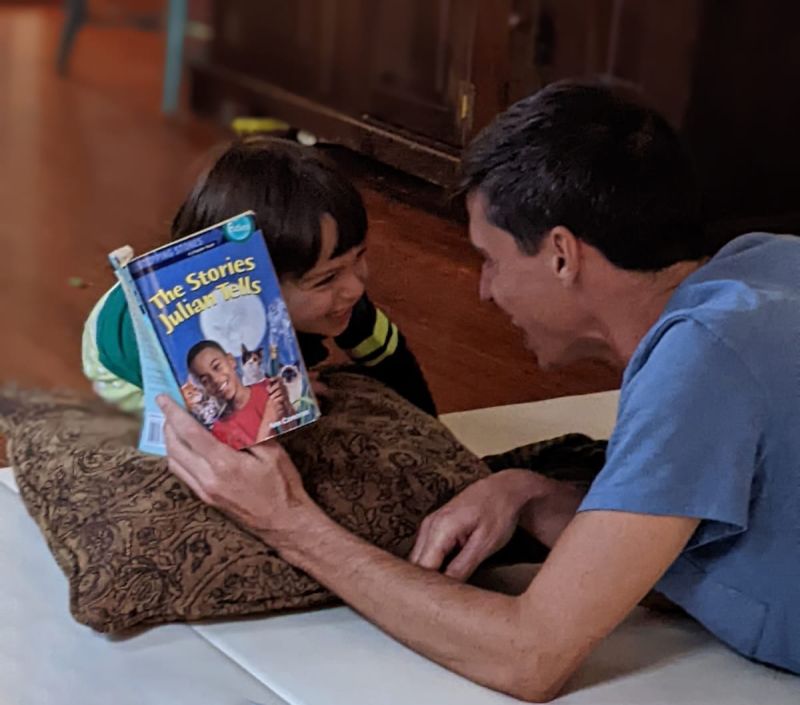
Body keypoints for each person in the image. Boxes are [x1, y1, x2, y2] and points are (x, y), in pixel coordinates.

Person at [157, 81, 800, 701]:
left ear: (561, 255)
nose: (485, 291)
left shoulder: (700, 361)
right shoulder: (770, 260)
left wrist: (288, 522)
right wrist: (530, 492)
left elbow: (529, 656)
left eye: (491, 260)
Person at [81, 137, 436, 416]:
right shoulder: (185, 337)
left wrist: (434, 432)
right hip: (134, 373)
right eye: (326, 279)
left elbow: (393, 361)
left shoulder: (343, 297)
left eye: (359, 258)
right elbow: (209, 416)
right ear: (252, 286)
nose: (355, 287)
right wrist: (262, 396)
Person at [184, 340, 290, 449]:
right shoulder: (219, 431)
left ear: (231, 361)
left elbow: (294, 429)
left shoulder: (268, 388)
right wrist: (268, 421)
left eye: (217, 367)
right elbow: (253, 459)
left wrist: (286, 403)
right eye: (205, 380)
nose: (215, 380)